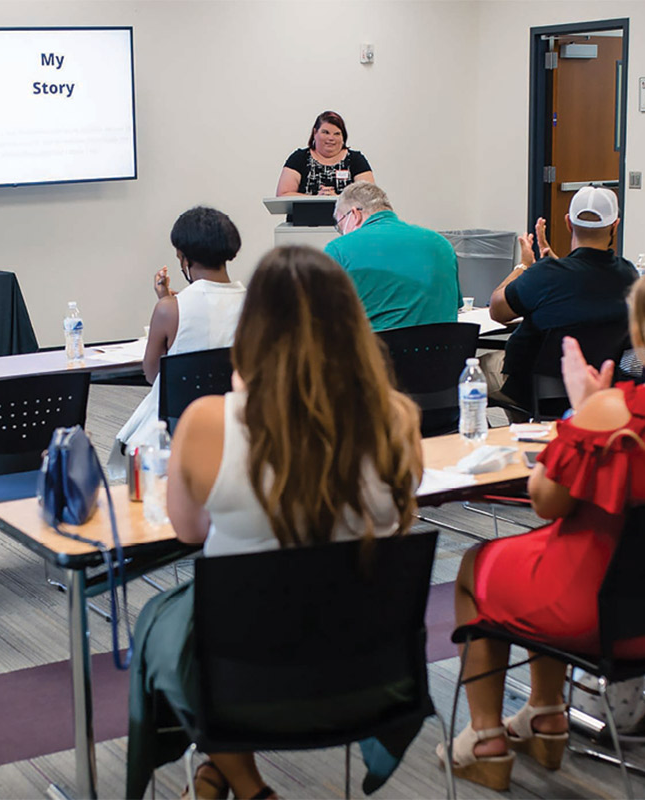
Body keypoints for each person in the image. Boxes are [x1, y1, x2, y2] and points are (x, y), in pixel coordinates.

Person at [437, 258, 645, 790]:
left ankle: (486, 736)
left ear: (641, 332)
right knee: (542, 553)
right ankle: (543, 715)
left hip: (603, 618)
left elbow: (547, 501)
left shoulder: (617, 413)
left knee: (479, 564)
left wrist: (581, 414)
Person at [126, 246, 424, 800]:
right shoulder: (396, 417)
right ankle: (222, 774)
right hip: (364, 656)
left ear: (254, 324)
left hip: (247, 667)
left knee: (162, 625)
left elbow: (189, 531)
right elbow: (398, 528)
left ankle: (246, 783)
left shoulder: (210, 421)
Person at [481, 187, 637, 408]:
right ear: (615, 225)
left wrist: (524, 265)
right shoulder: (629, 276)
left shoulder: (547, 274)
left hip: (531, 389)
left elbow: (498, 311)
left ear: (568, 223)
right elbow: (584, 284)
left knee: (472, 371)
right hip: (598, 389)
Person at [114, 207, 246, 453]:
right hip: (237, 423)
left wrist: (166, 302)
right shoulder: (255, 302)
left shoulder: (169, 309)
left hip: (178, 429)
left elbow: (154, 375)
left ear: (185, 259)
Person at [323, 182, 460, 331]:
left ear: (355, 214)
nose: (341, 231)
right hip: (442, 352)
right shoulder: (441, 244)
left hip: (374, 353)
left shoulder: (339, 249)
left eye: (340, 224)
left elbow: (318, 315)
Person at [275, 110, 374, 197]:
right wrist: (316, 199)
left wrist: (338, 199)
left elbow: (369, 196)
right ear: (315, 133)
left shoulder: (355, 159)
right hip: (305, 217)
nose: (331, 138)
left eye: (337, 134)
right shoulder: (299, 158)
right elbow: (283, 194)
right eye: (325, 132)